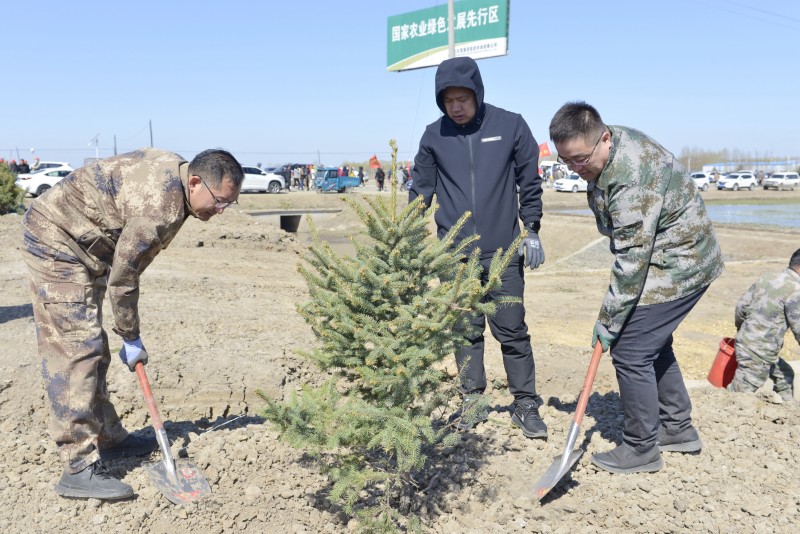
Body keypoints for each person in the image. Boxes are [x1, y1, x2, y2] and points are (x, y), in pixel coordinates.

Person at [21, 147, 244, 500]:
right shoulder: (161, 205)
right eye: (219, 202)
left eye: (229, 205)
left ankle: (108, 434)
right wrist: (131, 335)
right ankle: (78, 465)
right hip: (57, 240)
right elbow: (124, 280)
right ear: (196, 181)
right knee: (78, 347)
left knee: (93, 346)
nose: (220, 211)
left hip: (86, 243)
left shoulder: (178, 175)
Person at [549, 101, 724, 474]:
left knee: (630, 350)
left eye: (581, 160)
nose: (576, 170)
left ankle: (642, 447)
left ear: (605, 139)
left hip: (681, 263)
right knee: (650, 340)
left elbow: (632, 262)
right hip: (668, 254)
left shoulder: (632, 178)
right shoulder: (608, 149)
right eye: (566, 162)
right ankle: (677, 428)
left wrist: (608, 321)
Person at [409, 56, 548, 439]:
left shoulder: (510, 125)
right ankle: (473, 401)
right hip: (455, 255)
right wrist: (403, 237)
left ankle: (525, 404)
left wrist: (531, 229)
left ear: (477, 93)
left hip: (503, 252)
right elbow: (420, 190)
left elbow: (529, 182)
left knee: (512, 330)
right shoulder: (433, 136)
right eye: (449, 100)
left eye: (463, 98)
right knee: (465, 330)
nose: (456, 106)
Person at [727, 249, 800, 402]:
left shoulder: (767, 277)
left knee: (785, 375)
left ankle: (789, 411)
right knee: (740, 394)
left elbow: (741, 306)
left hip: (749, 342)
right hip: (760, 351)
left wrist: (742, 330)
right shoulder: (796, 289)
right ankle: (723, 417)